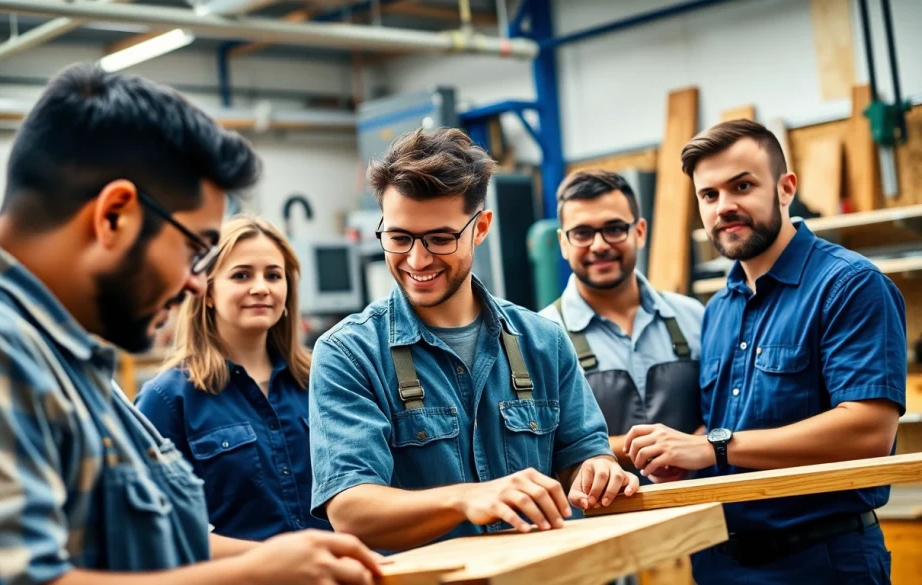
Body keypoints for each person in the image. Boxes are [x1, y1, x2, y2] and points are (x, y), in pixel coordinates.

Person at [0, 63, 379, 585]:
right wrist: (255, 574)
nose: (194, 283)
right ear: (115, 216)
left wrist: (287, 560)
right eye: (194, 249)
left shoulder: (57, 355)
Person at [307, 127, 638, 552]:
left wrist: (597, 469)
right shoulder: (349, 354)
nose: (417, 259)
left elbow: (583, 454)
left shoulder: (544, 342)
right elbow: (351, 511)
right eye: (399, 238)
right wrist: (466, 499)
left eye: (440, 239)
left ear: (480, 228)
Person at [624, 119, 905, 584]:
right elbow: (729, 423)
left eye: (742, 186)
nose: (724, 206)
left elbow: (869, 432)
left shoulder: (850, 285)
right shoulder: (719, 308)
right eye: (708, 195)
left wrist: (711, 448)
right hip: (720, 562)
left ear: (785, 188)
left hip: (821, 564)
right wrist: (680, 455)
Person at [136, 214, 331, 541]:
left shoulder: (323, 379)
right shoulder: (167, 399)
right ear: (208, 291)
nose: (261, 288)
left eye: (273, 275)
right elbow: (158, 529)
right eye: (241, 275)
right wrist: (282, 559)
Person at [538, 170, 704, 483]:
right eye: (582, 233)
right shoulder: (539, 338)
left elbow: (724, 411)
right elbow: (540, 448)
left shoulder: (692, 317)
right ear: (563, 243)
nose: (599, 245)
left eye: (614, 229)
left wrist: (697, 444)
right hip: (600, 513)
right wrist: (652, 449)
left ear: (639, 232)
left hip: (703, 507)